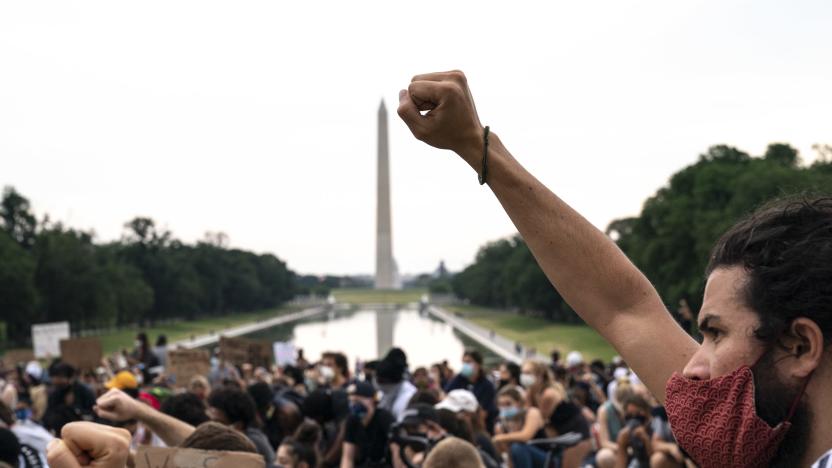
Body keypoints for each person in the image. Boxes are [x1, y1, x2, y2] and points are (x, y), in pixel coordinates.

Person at [398, 71, 832, 466]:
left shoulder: (737, 437)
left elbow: (625, 309)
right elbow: (623, 308)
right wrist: (476, 145)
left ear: (799, 346)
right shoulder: (749, 440)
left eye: (716, 333)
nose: (693, 366)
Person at [206, 386, 275, 466]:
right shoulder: (212, 442)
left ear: (238, 426)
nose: (210, 426)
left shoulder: (254, 447)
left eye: (217, 422)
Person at [341, 381, 394, 468]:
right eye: (351, 401)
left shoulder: (384, 418)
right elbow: (347, 457)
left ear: (372, 400)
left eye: (357, 400)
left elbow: (396, 451)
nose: (354, 405)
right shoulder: (352, 420)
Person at [492, 386, 547, 468]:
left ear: (518, 403)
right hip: (521, 460)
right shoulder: (501, 425)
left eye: (508, 404)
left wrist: (501, 437)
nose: (504, 407)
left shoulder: (532, 412)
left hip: (543, 457)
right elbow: (508, 453)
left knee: (517, 447)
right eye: (501, 404)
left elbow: (525, 436)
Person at [443, 350, 497, 431]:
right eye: (464, 362)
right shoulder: (460, 378)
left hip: (478, 426)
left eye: (468, 362)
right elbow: (445, 394)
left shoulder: (487, 386)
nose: (465, 365)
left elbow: (483, 414)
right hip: (459, 422)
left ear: (478, 364)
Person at [43, 363, 96, 435]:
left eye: (60, 377)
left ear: (70, 378)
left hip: (82, 432)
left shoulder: (82, 391)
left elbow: (91, 412)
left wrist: (73, 408)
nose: (55, 380)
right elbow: (48, 414)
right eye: (54, 377)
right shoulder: (55, 393)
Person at [614, 394, 654, 468]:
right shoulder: (627, 432)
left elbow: (656, 460)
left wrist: (646, 439)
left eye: (637, 414)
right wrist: (622, 442)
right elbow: (620, 464)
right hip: (639, 462)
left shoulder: (655, 425)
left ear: (647, 411)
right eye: (629, 416)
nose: (634, 419)